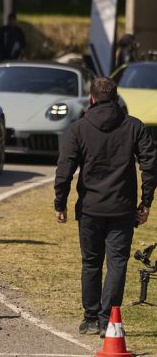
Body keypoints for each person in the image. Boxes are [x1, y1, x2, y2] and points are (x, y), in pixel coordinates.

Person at [54, 75, 157, 336]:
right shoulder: (134, 126)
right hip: (122, 209)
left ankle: (90, 318)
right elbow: (150, 165)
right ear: (116, 98)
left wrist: (60, 202)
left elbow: (64, 168)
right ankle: (107, 319)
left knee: (91, 263)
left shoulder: (79, 128)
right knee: (117, 263)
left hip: (90, 208)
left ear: (91, 98)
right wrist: (146, 202)